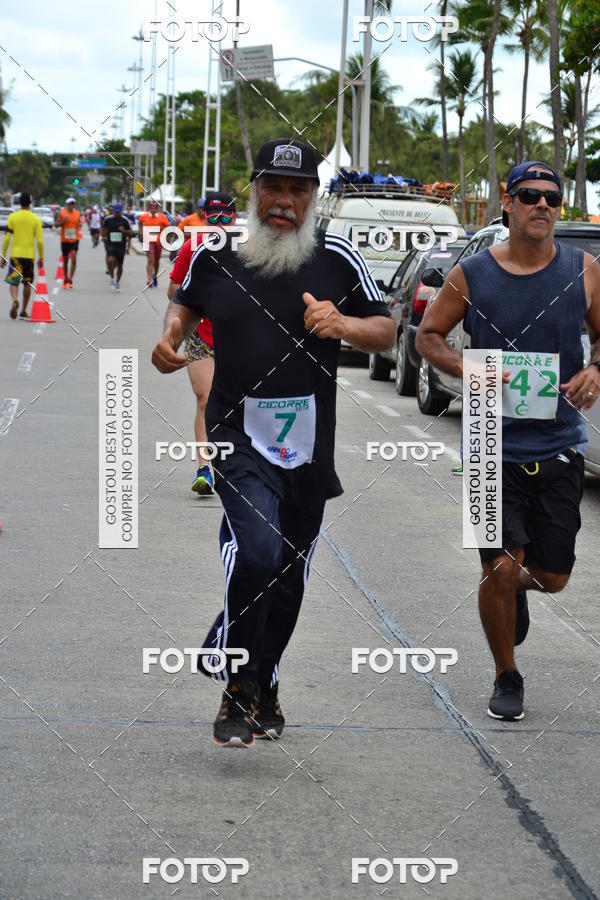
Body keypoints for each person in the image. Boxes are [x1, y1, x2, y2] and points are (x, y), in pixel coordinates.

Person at [152, 138, 395, 748]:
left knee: (288, 576)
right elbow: (183, 308)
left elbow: (387, 330)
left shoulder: (338, 257)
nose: (284, 201)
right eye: (274, 187)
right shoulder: (216, 253)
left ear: (313, 196)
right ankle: (238, 681)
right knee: (258, 552)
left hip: (310, 444)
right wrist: (170, 339)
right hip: (237, 435)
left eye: (298, 189)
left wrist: (343, 325)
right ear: (254, 187)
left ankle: (261, 685)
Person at [416, 161, 600, 722]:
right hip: (487, 445)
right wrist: (470, 367)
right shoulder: (472, 273)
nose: (541, 205)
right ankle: (506, 673)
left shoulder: (585, 269)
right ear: (508, 203)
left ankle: (515, 588)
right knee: (497, 566)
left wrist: (598, 370)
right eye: (529, 195)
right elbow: (427, 337)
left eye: (551, 197)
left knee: (554, 576)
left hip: (560, 444)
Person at [167, 191, 237, 496]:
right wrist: (193, 300)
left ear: (235, 219)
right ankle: (204, 470)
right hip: (201, 336)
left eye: (226, 218)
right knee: (205, 400)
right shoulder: (192, 247)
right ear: (204, 218)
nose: (220, 224)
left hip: (239, 337)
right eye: (214, 218)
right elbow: (172, 289)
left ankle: (239, 465)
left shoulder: (247, 251)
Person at [1, 192, 44, 319]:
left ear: (19, 203)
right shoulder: (36, 219)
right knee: (27, 283)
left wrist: (3, 256)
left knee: (13, 282)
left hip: (16, 255)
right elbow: (40, 241)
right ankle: (24, 309)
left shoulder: (12, 217)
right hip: (29, 256)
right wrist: (41, 257)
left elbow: (7, 238)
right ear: (30, 204)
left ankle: (15, 300)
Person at [100, 204, 133, 292]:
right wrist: (103, 236)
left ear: (121, 211)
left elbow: (131, 233)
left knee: (119, 265)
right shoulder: (108, 219)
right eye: (115, 211)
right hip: (110, 244)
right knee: (110, 261)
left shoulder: (125, 220)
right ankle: (112, 278)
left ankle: (117, 282)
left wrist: (124, 231)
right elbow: (103, 227)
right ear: (113, 210)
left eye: (118, 212)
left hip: (121, 245)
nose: (117, 213)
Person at [138, 200, 171, 287]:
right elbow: (140, 222)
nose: (153, 209)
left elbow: (168, 227)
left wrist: (165, 233)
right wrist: (141, 231)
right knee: (150, 258)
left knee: (156, 260)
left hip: (159, 241)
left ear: (157, 209)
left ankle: (155, 276)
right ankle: (149, 278)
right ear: (149, 208)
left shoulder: (162, 217)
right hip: (148, 241)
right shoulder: (144, 216)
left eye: (155, 208)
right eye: (151, 207)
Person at [55, 197, 81, 288]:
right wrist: (63, 221)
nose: (71, 205)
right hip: (65, 240)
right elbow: (56, 224)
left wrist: (80, 224)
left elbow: (79, 223)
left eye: (73, 204)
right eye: (70, 204)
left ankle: (70, 278)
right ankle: (65, 277)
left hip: (74, 239)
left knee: (73, 258)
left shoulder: (77, 213)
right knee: (65, 260)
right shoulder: (62, 213)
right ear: (67, 205)